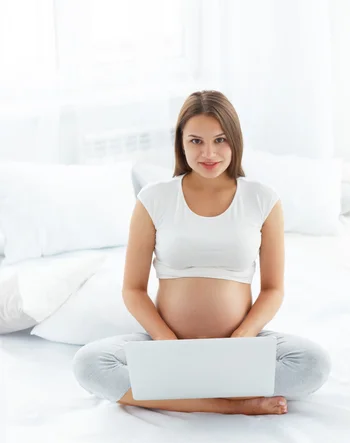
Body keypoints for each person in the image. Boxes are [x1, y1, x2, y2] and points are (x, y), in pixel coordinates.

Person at [72, 90, 331, 415]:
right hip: (167, 345)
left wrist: (245, 336)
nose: (209, 152)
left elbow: (273, 289)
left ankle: (180, 392)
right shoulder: (154, 199)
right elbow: (133, 290)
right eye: (196, 141)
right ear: (181, 142)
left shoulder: (263, 199)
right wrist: (166, 342)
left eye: (220, 140)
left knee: (313, 364)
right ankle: (229, 404)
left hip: (238, 348)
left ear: (235, 141)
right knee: (89, 364)